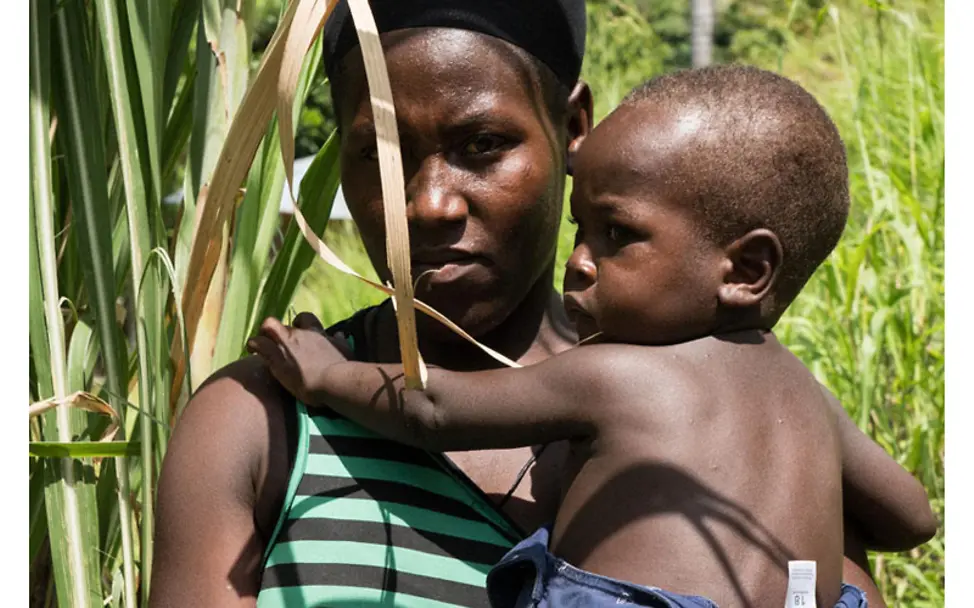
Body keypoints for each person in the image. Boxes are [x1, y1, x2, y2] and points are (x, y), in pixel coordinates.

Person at [149, 2, 936, 607]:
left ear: (573, 129)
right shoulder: (261, 424)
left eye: (482, 144)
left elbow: (431, 406)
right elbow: (913, 517)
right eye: (379, 154)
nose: (428, 204)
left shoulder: (732, 441)